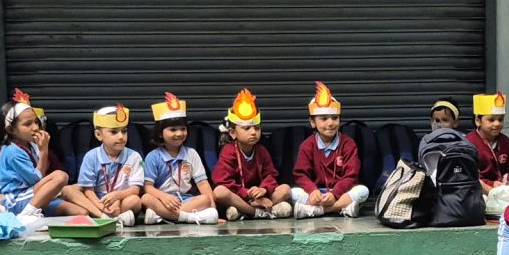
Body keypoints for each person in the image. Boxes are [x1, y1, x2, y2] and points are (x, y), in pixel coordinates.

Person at [138, 95, 220, 224]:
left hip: (187, 200)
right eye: (173, 129)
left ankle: (164, 216)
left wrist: (213, 208)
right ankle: (189, 217)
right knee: (146, 198)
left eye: (183, 129)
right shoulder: (153, 156)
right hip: (163, 200)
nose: (179, 133)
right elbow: (148, 187)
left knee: (205, 199)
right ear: (160, 133)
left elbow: (203, 184)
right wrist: (164, 197)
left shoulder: (191, 153)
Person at [213, 88, 292, 220]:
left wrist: (263, 189)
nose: (253, 132)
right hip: (240, 195)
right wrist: (247, 193)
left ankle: (245, 211)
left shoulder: (262, 150)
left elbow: (271, 175)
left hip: (260, 195)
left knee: (286, 189)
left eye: (257, 128)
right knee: (219, 192)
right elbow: (222, 181)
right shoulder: (228, 151)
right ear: (232, 133)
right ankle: (256, 212)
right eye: (246, 128)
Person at [292, 82, 368, 218]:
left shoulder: (348, 144)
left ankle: (318, 211)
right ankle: (342, 208)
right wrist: (312, 190)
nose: (330, 123)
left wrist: (334, 194)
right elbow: (300, 175)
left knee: (362, 191)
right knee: (293, 193)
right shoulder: (307, 145)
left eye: (335, 118)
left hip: (340, 192)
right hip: (317, 194)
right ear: (313, 122)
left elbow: (351, 175)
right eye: (324, 119)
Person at [417, 100, 487, 229]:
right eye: (436, 120)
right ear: (431, 121)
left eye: (445, 120)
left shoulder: (427, 142)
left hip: (439, 210)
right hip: (470, 210)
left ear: (455, 122)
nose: (440, 125)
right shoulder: (465, 142)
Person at [76, 105, 149, 224]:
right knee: (77, 197)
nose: (121, 137)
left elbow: (135, 189)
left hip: (122, 198)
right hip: (98, 201)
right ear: (98, 135)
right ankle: (110, 217)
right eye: (114, 132)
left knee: (135, 201)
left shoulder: (134, 156)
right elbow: (88, 190)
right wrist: (100, 205)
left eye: (124, 131)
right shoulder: (91, 156)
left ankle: (114, 217)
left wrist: (117, 196)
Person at [468, 92, 509, 217]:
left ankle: (506, 202)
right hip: (487, 189)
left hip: (505, 188)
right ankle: (506, 202)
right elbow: (470, 173)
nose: (497, 124)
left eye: (500, 119)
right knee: (476, 183)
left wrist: (507, 181)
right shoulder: (469, 142)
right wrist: (491, 184)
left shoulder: (505, 140)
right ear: (478, 121)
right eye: (491, 120)